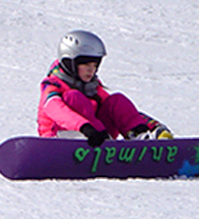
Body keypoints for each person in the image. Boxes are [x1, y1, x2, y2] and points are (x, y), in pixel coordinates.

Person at [37, 30, 173, 144]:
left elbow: (126, 113)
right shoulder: (51, 86)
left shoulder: (92, 87)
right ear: (69, 62)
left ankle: (139, 137)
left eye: (95, 65)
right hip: (59, 140)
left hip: (96, 138)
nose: (91, 70)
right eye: (86, 65)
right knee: (74, 97)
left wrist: (154, 126)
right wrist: (85, 128)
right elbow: (57, 110)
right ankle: (101, 141)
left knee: (116, 101)